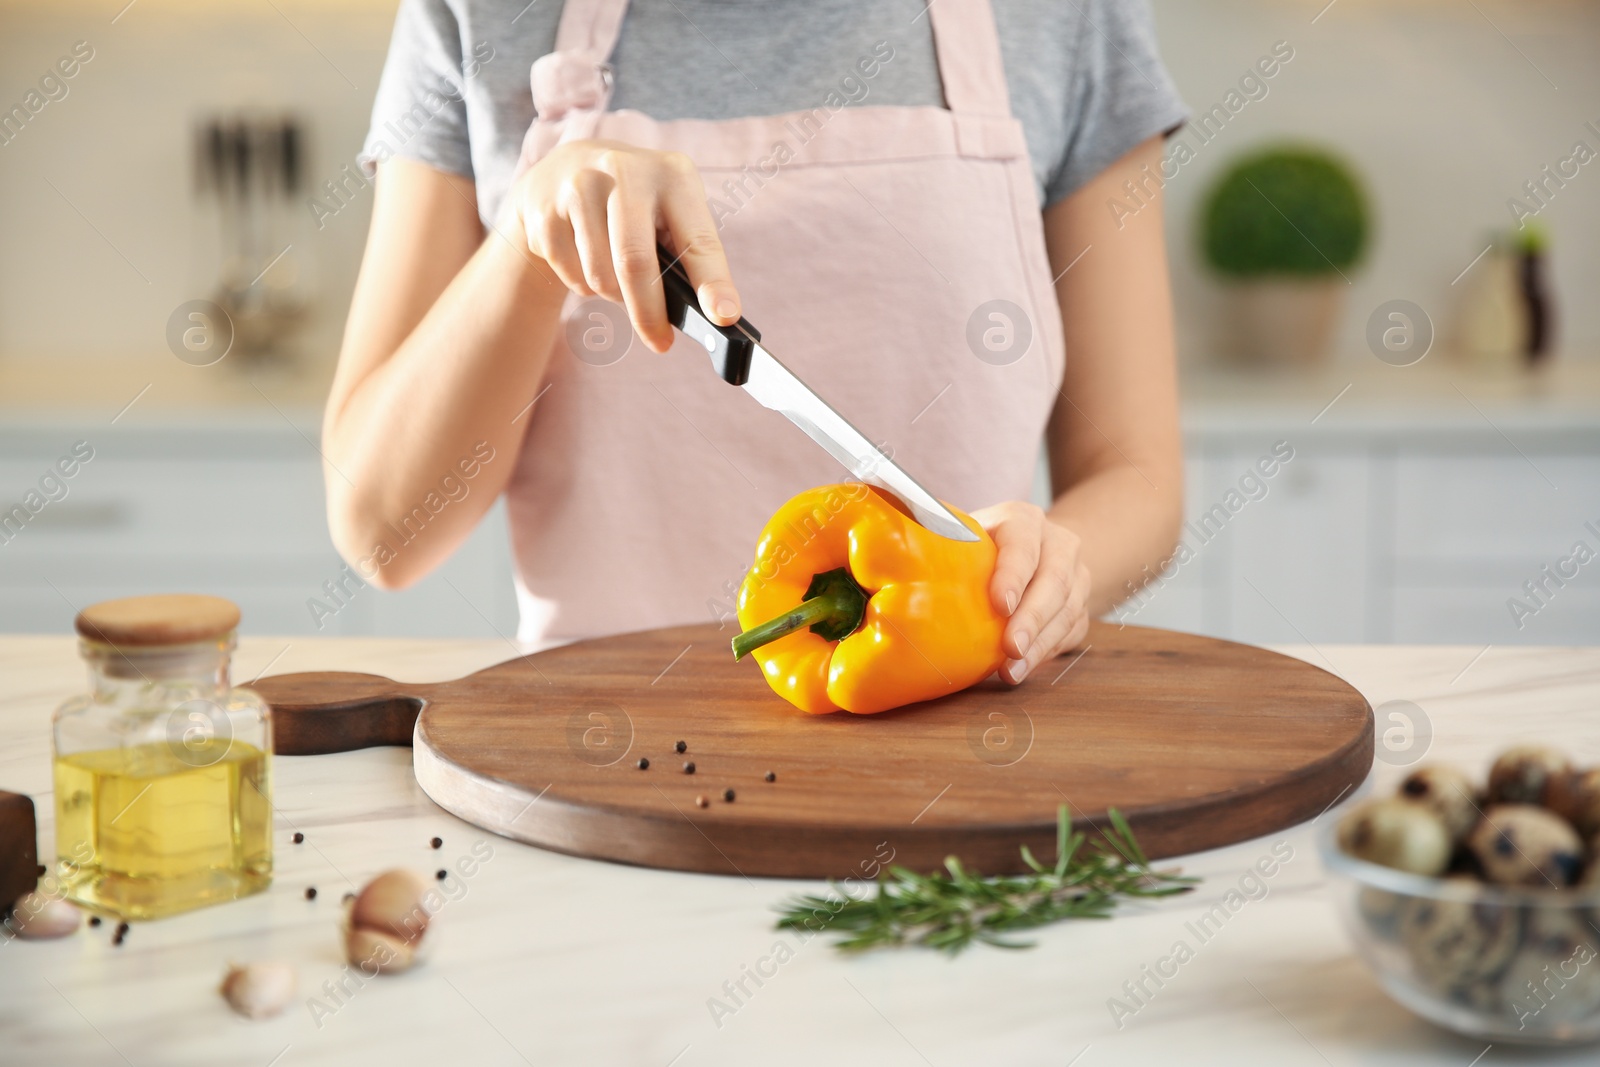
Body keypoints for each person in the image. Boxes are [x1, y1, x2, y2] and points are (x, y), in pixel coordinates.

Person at [323, 0, 1186, 684]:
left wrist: (1052, 575)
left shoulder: (1068, 13)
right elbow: (383, 532)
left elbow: (1135, 474)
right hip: (595, 760)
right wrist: (525, 242)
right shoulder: (471, 13)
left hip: (956, 742)